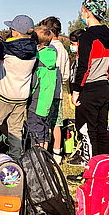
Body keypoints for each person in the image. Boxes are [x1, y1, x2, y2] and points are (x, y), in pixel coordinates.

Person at [0, 14, 38, 161]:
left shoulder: (6, 47)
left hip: (4, 95)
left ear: (15, 32)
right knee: (16, 129)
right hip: (22, 96)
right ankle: (15, 156)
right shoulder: (34, 49)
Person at [70, 0, 109, 164]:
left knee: (87, 131)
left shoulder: (87, 37)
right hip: (104, 86)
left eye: (83, 10)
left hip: (89, 88)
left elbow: (84, 65)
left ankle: (90, 169)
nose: (82, 13)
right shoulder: (108, 36)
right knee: (101, 130)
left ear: (88, 12)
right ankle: (105, 166)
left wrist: (76, 90)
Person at [39, 16, 71, 162]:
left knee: (43, 122)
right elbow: (66, 74)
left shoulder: (47, 48)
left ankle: (42, 151)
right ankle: (57, 152)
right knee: (56, 124)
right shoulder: (63, 50)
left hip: (44, 92)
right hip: (58, 92)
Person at [26, 26, 57, 151]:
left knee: (35, 132)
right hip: (47, 101)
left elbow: (33, 82)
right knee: (44, 132)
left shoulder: (38, 59)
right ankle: (44, 156)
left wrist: (27, 94)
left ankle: (37, 158)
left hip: (36, 101)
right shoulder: (51, 56)